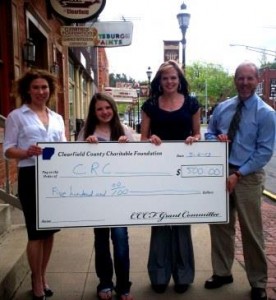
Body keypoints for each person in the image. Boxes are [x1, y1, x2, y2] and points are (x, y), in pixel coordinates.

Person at [204, 61, 276, 300]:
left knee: (251, 231)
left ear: (257, 81)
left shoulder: (266, 114)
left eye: (250, 79)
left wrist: (238, 174)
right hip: (221, 173)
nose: (245, 83)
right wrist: (216, 138)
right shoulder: (223, 108)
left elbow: (264, 152)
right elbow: (209, 132)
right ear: (235, 80)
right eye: (240, 78)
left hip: (247, 177)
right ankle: (223, 272)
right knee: (221, 227)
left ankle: (258, 282)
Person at [3, 69, 66, 300]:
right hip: (30, 176)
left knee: (49, 232)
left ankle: (42, 274)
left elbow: (64, 148)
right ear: (27, 90)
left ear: (50, 90)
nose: (41, 91)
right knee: (35, 233)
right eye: (36, 87)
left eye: (45, 87)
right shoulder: (16, 116)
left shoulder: (57, 118)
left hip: (54, 177)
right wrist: (26, 151)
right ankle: (35, 278)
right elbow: (8, 150)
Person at [140, 60, 201, 294]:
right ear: (159, 81)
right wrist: (151, 140)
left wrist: (195, 139)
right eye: (165, 78)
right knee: (161, 222)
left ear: (179, 80)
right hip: (158, 172)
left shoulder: (192, 104)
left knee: (182, 223)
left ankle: (183, 275)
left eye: (173, 78)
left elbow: (196, 133)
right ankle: (158, 275)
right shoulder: (150, 106)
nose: (169, 82)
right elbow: (143, 139)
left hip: (184, 172)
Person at [77, 92, 134, 300]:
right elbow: (76, 165)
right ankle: (105, 283)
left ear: (113, 109)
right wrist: (86, 147)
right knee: (101, 242)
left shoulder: (125, 131)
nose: (104, 112)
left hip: (120, 198)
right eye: (100, 109)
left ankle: (124, 285)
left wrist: (127, 148)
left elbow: (138, 165)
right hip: (97, 197)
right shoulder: (86, 132)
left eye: (108, 108)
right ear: (94, 111)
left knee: (121, 241)